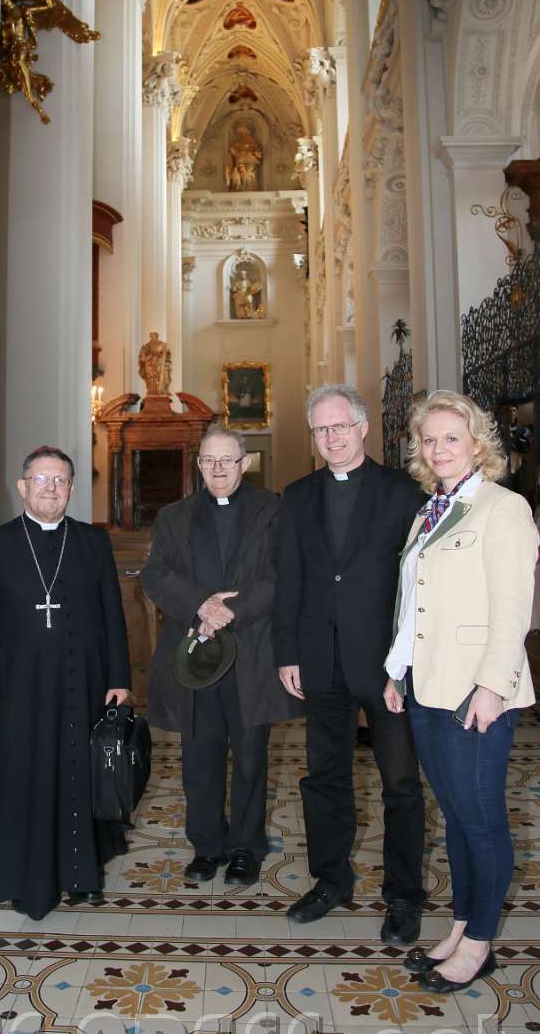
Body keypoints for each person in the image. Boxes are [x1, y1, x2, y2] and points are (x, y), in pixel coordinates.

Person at [384, 390, 537, 991]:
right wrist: (398, 671)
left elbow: (512, 608)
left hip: (476, 691)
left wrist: (492, 687)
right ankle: (462, 924)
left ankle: (480, 943)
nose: (439, 448)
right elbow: (413, 605)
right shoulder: (431, 510)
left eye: (452, 437)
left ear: (478, 443)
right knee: (453, 816)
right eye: (430, 439)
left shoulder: (504, 509)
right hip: (427, 685)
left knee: (481, 820)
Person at [273, 384, 427, 943]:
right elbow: (289, 578)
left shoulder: (404, 492)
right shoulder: (297, 495)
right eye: (320, 429)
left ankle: (405, 895)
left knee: (402, 783)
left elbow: (417, 585)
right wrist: (287, 652)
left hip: (387, 665)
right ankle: (330, 879)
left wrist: (406, 661)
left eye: (339, 427)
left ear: (363, 428)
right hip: (321, 660)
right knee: (325, 776)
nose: (331, 438)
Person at [0, 445, 130, 920]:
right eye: (41, 480)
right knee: (23, 777)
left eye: (60, 481)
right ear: (22, 487)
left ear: (72, 489)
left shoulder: (92, 542)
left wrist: (119, 677)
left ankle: (81, 876)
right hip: (15, 690)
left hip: (83, 683)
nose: (51, 490)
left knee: (79, 775)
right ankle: (21, 876)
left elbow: (112, 615)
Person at [141, 425, 301, 885]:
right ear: (198, 464)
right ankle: (206, 846)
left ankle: (247, 848)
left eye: (226, 461)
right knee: (199, 755)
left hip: (251, 656)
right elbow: (156, 573)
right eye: (209, 460)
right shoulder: (173, 516)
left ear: (244, 463)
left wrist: (233, 609)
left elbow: (281, 573)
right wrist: (201, 604)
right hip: (196, 657)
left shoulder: (273, 510)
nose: (217, 469)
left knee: (251, 757)